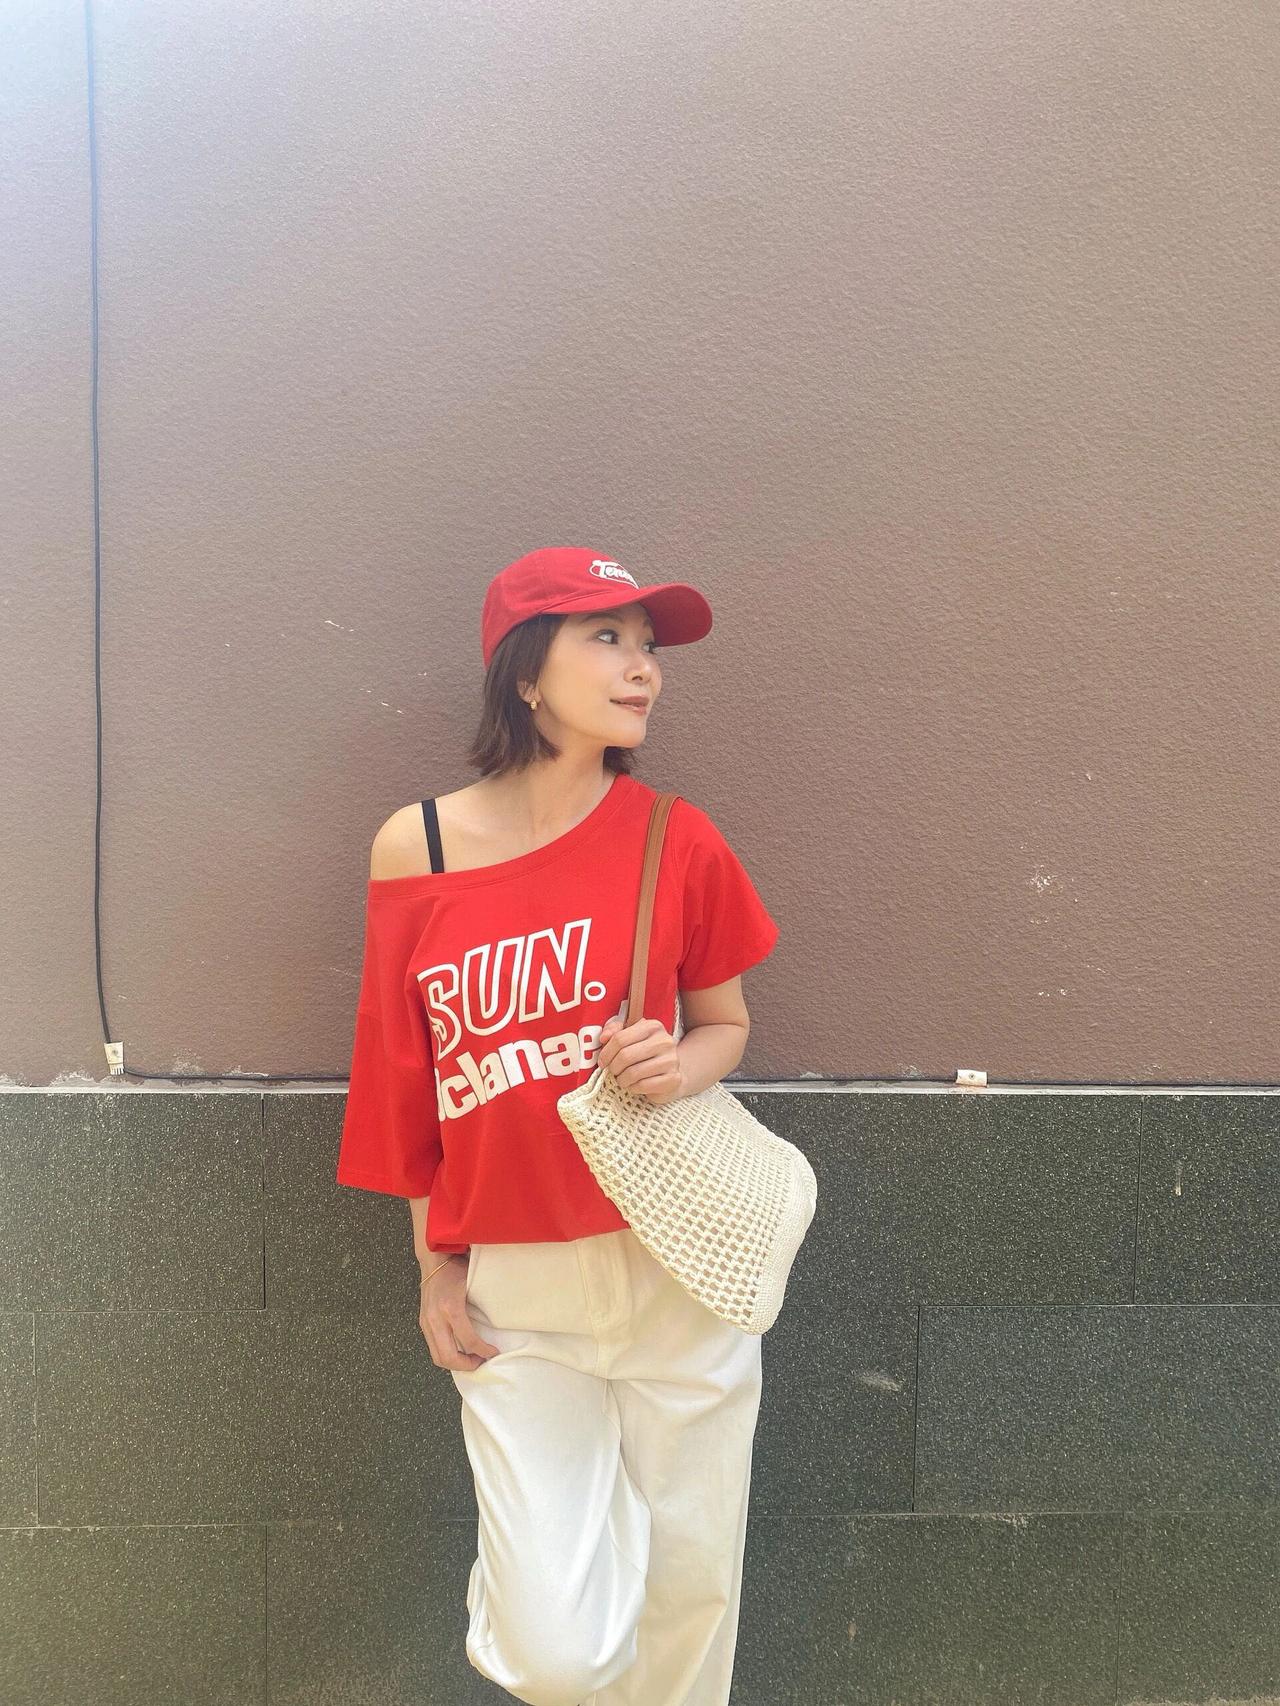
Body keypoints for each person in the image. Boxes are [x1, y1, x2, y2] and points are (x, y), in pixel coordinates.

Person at [336, 545, 781, 1706]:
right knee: (556, 1649)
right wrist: (434, 1264)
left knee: (689, 1589)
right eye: (607, 637)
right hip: (517, 1292)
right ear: (524, 670)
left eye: (648, 646)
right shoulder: (417, 847)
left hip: (673, 1264)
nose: (642, 668)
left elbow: (726, 1025)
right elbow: (405, 1081)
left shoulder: (673, 835)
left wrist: (673, 1064)